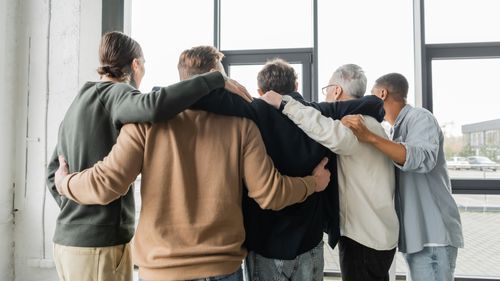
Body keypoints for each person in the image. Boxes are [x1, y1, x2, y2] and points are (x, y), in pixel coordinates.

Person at [53, 95, 332, 280]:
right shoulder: (242, 127)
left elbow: (106, 184)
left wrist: (64, 182)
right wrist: (312, 183)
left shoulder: (144, 125)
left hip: (161, 271)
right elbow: (270, 193)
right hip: (221, 267)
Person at [46, 32, 251, 281]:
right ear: (135, 64)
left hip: (66, 239)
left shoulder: (78, 101)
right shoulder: (119, 94)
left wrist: (74, 208)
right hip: (99, 244)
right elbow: (154, 106)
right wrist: (213, 80)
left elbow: (53, 172)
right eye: (143, 66)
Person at [187, 48, 386, 281]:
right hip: (309, 242)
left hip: (266, 243)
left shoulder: (252, 110)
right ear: (297, 85)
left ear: (261, 90)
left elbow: (196, 97)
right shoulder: (317, 112)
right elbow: (373, 103)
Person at [261, 64, 399, 281]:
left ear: (336, 90)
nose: (324, 95)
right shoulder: (371, 121)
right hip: (377, 233)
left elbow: (330, 134)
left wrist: (284, 103)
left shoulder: (358, 123)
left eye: (326, 89)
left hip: (364, 239)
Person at [341, 73, 464, 281]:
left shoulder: (420, 117)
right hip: (417, 238)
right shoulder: (396, 130)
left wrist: (370, 137)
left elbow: (422, 158)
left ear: (382, 93)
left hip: (432, 239)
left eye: (372, 96)